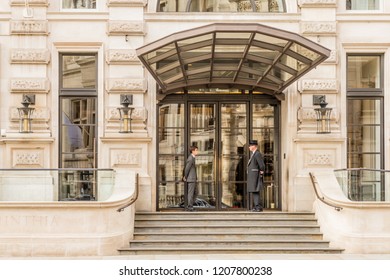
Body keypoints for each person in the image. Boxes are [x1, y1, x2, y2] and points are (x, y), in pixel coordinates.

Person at [247, 140, 265, 212]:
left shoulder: (257, 154)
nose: (249, 147)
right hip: (253, 175)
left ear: (254, 146)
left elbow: (262, 165)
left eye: (250, 146)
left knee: (255, 190)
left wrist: (261, 172)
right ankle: (257, 206)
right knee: (254, 191)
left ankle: (257, 207)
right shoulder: (253, 154)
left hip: (255, 175)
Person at [182, 145, 198, 211]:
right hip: (191, 179)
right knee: (191, 193)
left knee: (196, 192)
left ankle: (190, 205)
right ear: (193, 151)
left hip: (193, 179)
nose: (197, 151)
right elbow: (187, 168)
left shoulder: (193, 158)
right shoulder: (190, 158)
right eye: (196, 150)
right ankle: (190, 207)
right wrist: (185, 176)